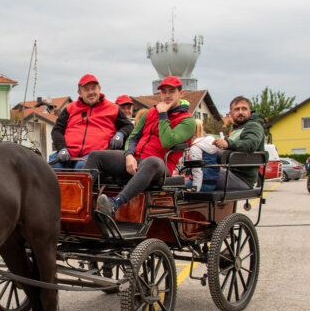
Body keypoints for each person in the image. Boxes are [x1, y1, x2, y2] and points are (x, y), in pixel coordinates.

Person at [87, 76, 196, 216]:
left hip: (161, 166)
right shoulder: (151, 113)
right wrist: (129, 155)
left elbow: (167, 141)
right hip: (137, 159)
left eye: (171, 91)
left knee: (152, 161)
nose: (167, 95)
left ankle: (115, 203)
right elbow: (133, 137)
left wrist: (163, 114)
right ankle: (81, 203)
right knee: (96, 155)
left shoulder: (187, 120)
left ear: (181, 94)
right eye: (164, 92)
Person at [48, 74, 133, 170]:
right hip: (67, 154)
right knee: (52, 167)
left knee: (82, 167)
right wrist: (62, 148)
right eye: (86, 89)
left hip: (94, 156)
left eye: (94, 88)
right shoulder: (69, 109)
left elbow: (128, 126)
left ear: (99, 89)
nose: (91, 92)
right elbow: (57, 130)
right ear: (79, 93)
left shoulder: (113, 108)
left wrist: (120, 134)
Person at [213, 96, 265, 190]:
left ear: (249, 111)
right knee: (200, 174)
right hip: (230, 173)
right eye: (237, 109)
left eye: (244, 108)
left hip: (242, 178)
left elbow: (250, 144)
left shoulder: (253, 126)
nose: (240, 112)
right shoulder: (238, 128)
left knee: (203, 178)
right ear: (231, 113)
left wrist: (228, 144)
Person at [185, 122, 220, 192]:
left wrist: (194, 190)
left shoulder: (195, 147)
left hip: (202, 185)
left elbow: (197, 171)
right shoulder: (211, 143)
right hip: (212, 184)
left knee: (175, 188)